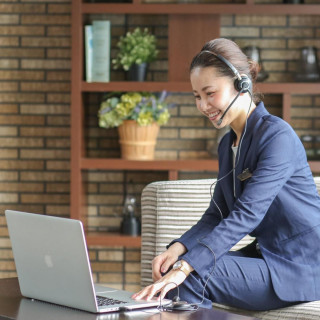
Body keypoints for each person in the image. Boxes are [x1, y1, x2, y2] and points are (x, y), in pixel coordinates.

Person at [132, 38, 320, 311]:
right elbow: (217, 214)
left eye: (210, 93)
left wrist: (187, 266)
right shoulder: (227, 144)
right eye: (197, 96)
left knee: (188, 276)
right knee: (179, 270)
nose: (203, 105)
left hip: (301, 266)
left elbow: (247, 214)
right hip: (268, 257)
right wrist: (178, 249)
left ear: (242, 84)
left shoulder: (277, 136)